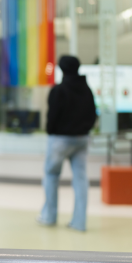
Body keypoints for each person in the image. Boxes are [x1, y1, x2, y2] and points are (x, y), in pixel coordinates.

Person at [38, 55, 97, 232]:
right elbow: (94, 115)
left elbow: (52, 117)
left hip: (60, 140)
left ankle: (49, 216)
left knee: (51, 174)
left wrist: (51, 131)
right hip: (82, 139)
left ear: (62, 69)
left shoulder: (59, 90)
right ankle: (79, 222)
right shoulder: (87, 89)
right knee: (80, 179)